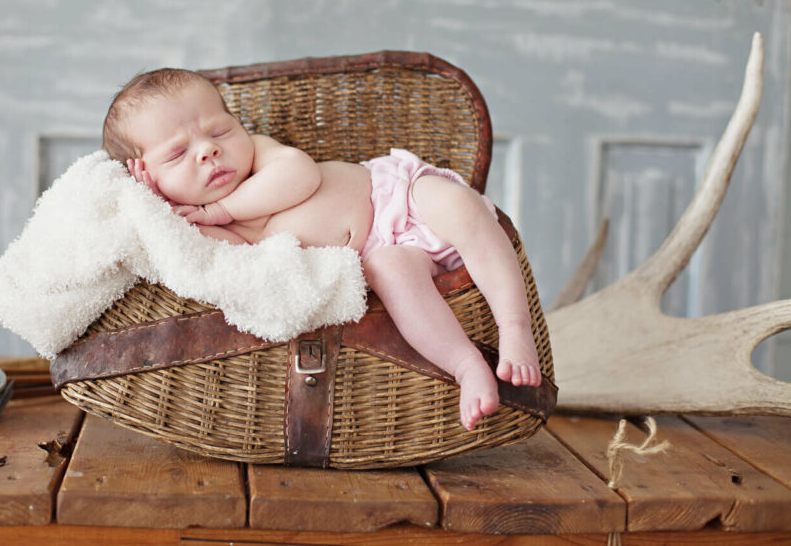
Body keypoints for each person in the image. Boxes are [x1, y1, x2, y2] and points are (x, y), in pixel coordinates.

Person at [102, 68, 541, 431]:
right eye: (178, 155)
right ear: (147, 178)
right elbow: (224, 262)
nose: (208, 150)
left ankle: (515, 327)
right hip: (383, 252)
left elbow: (302, 176)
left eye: (220, 129)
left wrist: (222, 207)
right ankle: (465, 365)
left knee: (461, 209)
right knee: (391, 274)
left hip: (400, 195)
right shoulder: (206, 228)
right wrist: (155, 212)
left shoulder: (260, 156)